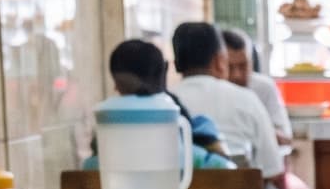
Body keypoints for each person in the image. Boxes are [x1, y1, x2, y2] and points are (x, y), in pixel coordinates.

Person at [170, 22, 304, 189]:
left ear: (176, 64)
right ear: (219, 61)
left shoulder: (167, 102)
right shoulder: (245, 98)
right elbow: (272, 169)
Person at [90, 38, 236, 171]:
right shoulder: (189, 138)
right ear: (163, 74)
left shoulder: (108, 129)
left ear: (116, 84)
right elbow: (227, 168)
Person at [221, 27, 315, 189]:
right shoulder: (215, 92)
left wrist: (258, 130)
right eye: (231, 67)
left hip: (269, 182)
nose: (238, 75)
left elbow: (285, 137)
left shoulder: (262, 88)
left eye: (243, 66)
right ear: (219, 64)